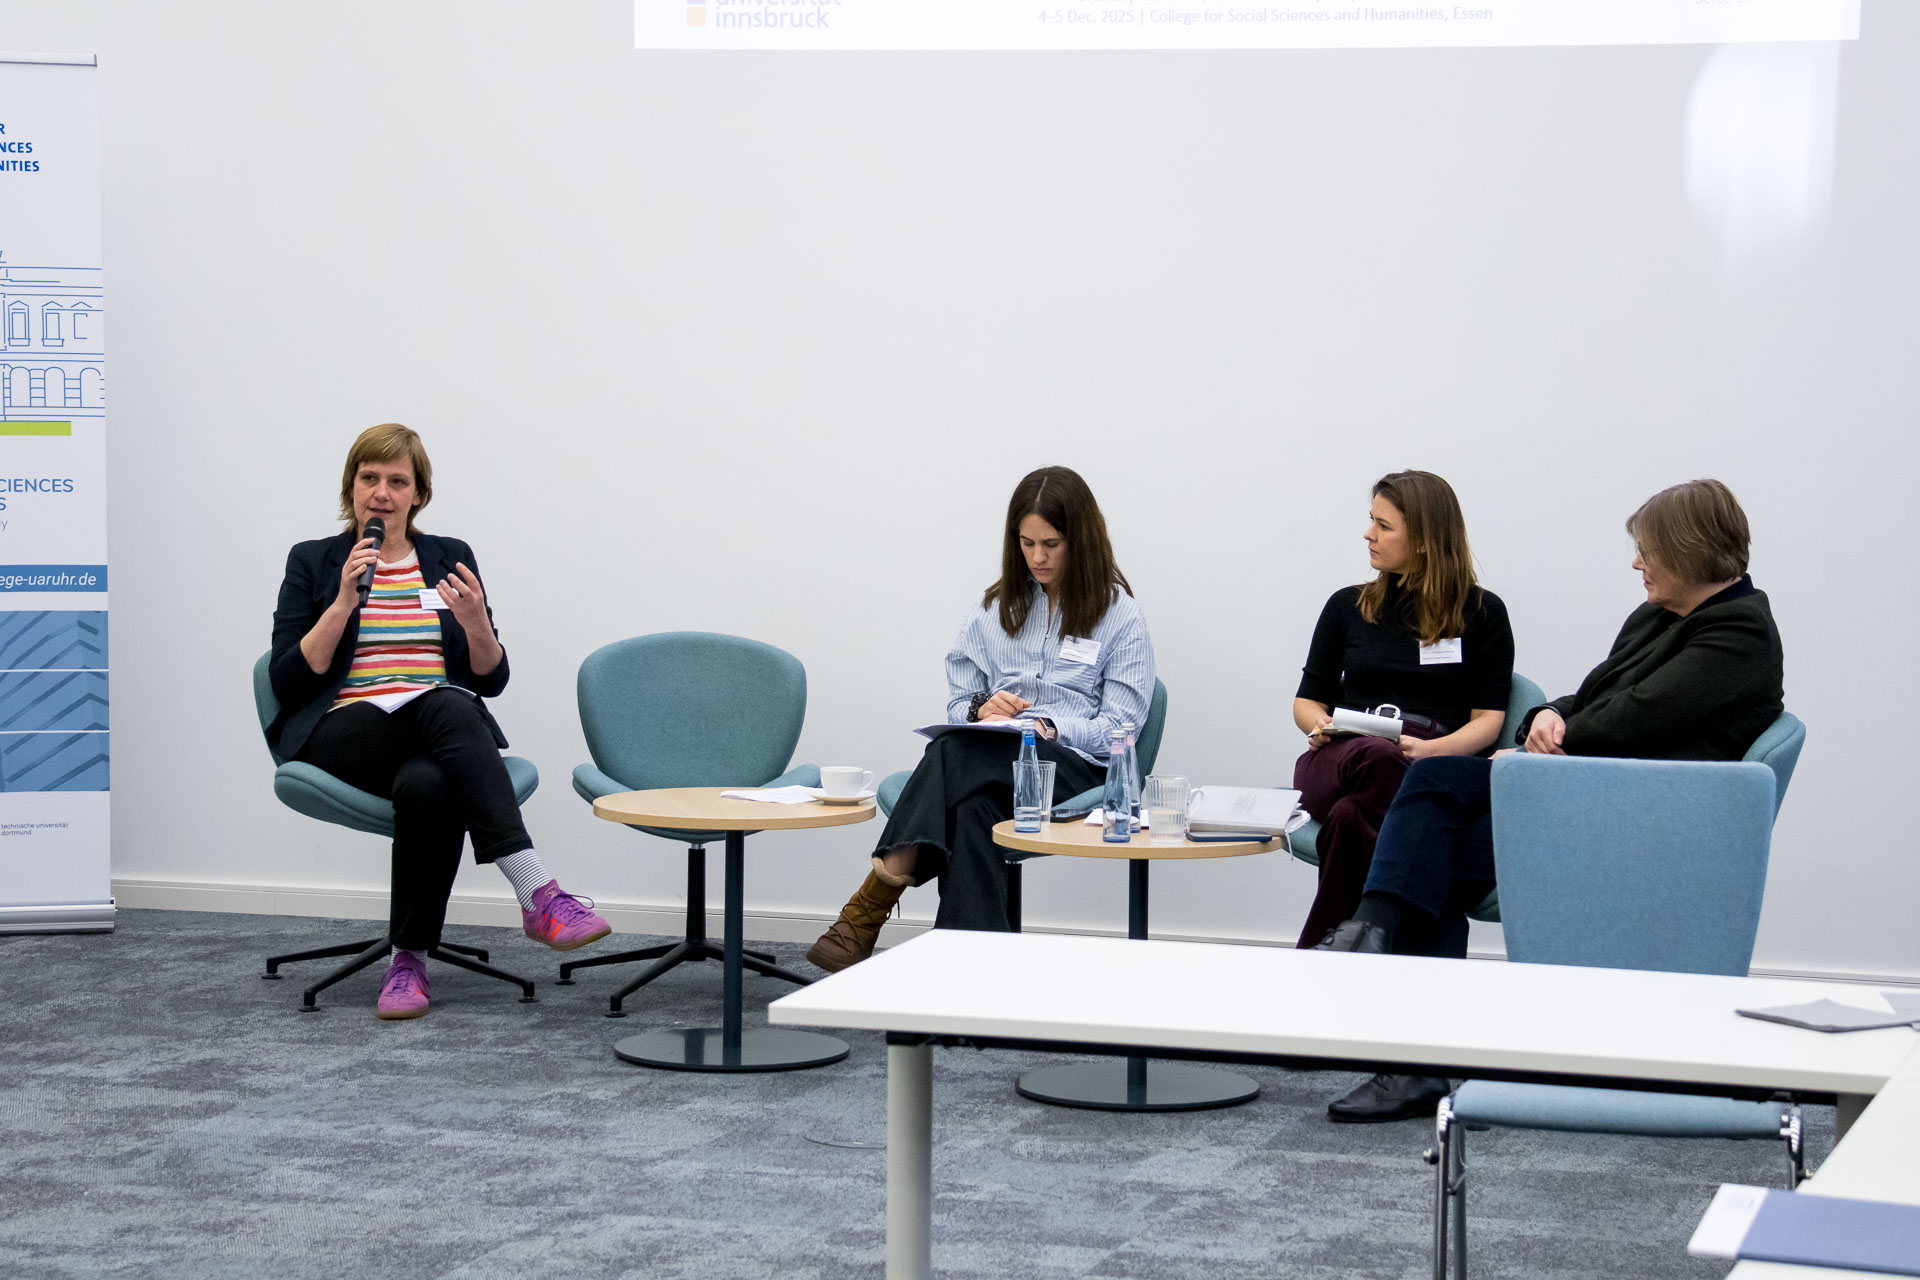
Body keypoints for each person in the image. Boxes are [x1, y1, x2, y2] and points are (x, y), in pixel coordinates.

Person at [1317, 478, 1784, 1122]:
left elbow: (1635, 719)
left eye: (1647, 550)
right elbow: (1594, 695)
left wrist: (1535, 748)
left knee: (1433, 845)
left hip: (1638, 814)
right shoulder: (1660, 617)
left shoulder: (1739, 633)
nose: (1637, 563)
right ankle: (1376, 945)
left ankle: (1398, 1013)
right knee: (1434, 792)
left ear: (1690, 550)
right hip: (1593, 789)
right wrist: (1545, 714)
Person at [266, 423, 610, 1020]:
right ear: (350, 488)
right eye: (369, 478)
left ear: (419, 494)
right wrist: (344, 600)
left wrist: (476, 621)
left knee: (429, 784)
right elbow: (288, 679)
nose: (381, 492)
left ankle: (408, 962)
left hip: (434, 738)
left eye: (397, 481)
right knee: (449, 703)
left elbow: (491, 679)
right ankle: (537, 890)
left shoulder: (449, 557)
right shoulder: (314, 561)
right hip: (343, 732)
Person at [806, 466, 1156, 972]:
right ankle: (972, 978)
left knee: (952, 752)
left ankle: (868, 908)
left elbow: (1123, 729)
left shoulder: (1120, 615)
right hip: (995, 761)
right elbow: (960, 701)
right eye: (1027, 543)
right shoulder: (993, 608)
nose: (1037, 557)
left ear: (1082, 539)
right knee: (972, 812)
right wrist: (980, 709)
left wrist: (1048, 728)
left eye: (1052, 544)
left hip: (1078, 771)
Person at [1291, 471, 1514, 949]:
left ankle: (1335, 948)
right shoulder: (1346, 607)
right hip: (1342, 758)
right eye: (1371, 521)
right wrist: (1322, 725)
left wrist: (1432, 751)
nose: (1368, 534)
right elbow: (1307, 702)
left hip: (1428, 766)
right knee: (1376, 757)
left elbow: (1489, 720)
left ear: (1427, 541)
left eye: (1384, 526)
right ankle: (1433, 940)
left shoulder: (1484, 613)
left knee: (1353, 820)